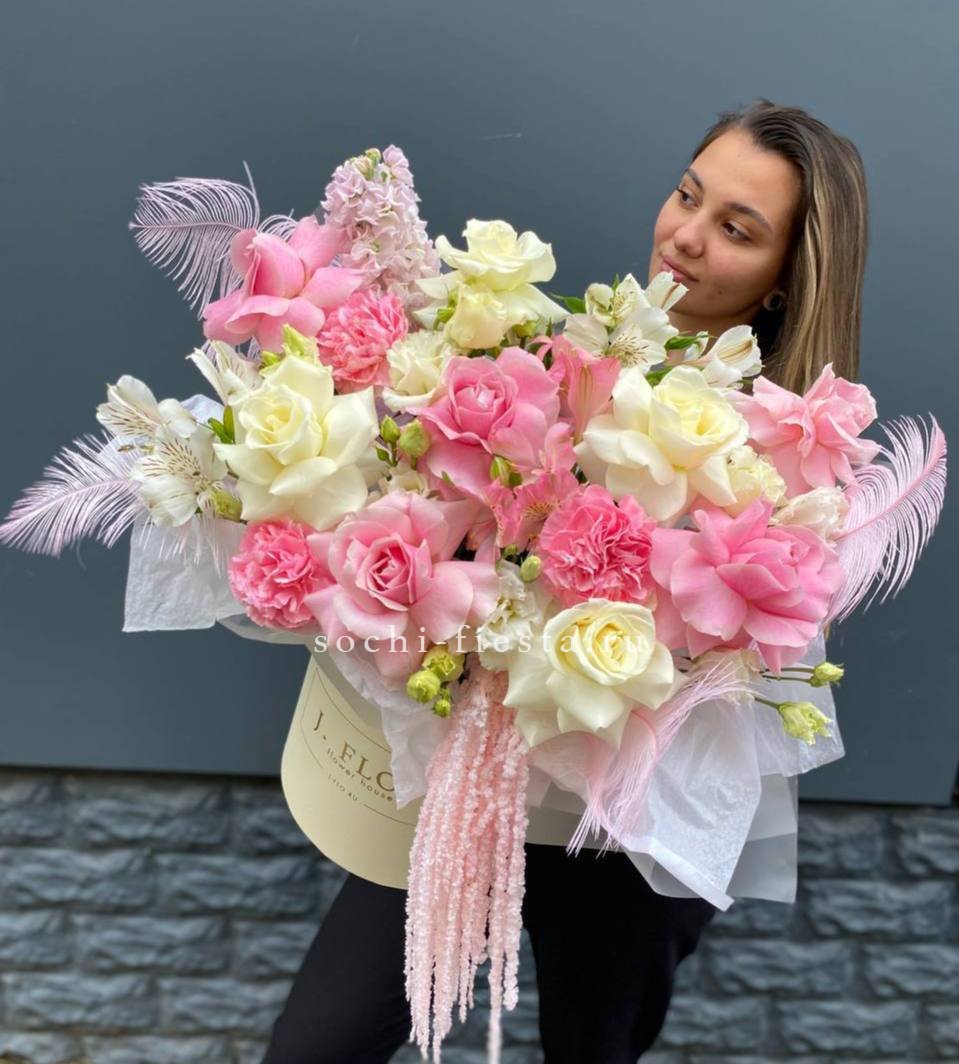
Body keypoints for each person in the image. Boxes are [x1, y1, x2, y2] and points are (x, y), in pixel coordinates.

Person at [260, 97, 870, 1064]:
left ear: (787, 278)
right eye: (688, 196)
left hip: (626, 828)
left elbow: (757, 648)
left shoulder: (790, 454)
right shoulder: (572, 351)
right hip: (471, 781)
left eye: (736, 229)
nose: (686, 236)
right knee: (316, 1046)